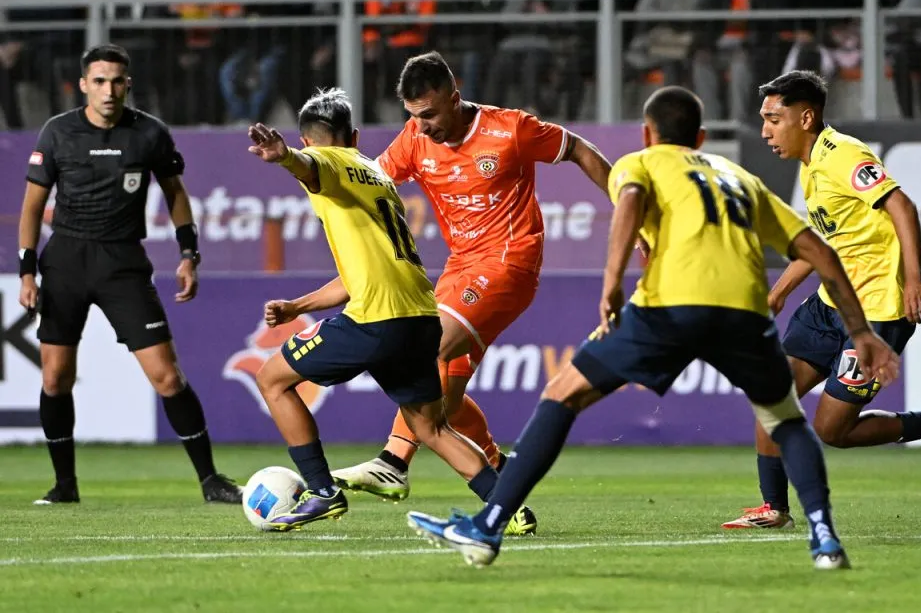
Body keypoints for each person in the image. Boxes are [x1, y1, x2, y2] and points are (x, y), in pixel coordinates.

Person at [405, 85, 902, 570]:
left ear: (647, 133)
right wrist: (861, 332)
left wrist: (612, 281)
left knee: (563, 394)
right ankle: (825, 538)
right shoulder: (740, 178)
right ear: (701, 137)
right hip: (744, 313)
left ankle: (489, 525)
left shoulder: (640, 164)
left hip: (669, 307)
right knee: (785, 419)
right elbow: (819, 250)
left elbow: (631, 201)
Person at [332, 52, 614, 536]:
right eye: (414, 116)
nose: (423, 126)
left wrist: (627, 205)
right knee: (444, 399)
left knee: (420, 350)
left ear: (455, 98)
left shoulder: (510, 130)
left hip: (509, 264)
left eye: (432, 114)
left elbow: (580, 150)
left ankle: (393, 460)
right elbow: (368, 183)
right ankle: (503, 485)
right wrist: (309, 168)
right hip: (457, 272)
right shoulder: (415, 140)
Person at [722, 70, 921, 530]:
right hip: (832, 304)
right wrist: (779, 293)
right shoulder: (810, 168)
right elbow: (825, 241)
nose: (765, 130)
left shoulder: (843, 155)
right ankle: (773, 508)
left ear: (805, 118)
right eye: (763, 119)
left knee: (833, 431)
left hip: (879, 311)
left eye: (773, 118)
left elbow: (901, 206)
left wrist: (913, 280)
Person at [245, 90, 520, 530]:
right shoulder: (378, 175)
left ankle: (320, 491)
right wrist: (299, 306)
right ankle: (506, 507)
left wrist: (285, 158)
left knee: (272, 379)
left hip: (376, 320)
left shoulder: (329, 162)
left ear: (308, 140)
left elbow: (313, 167)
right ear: (355, 134)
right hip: (422, 318)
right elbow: (363, 274)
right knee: (431, 429)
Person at [18, 44, 240, 505]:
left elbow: (175, 193)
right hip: (66, 262)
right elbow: (32, 206)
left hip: (123, 265)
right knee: (55, 378)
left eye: (117, 81)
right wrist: (26, 271)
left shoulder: (149, 133)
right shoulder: (57, 133)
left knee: (168, 377)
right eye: (99, 81)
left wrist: (188, 253)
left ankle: (210, 480)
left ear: (128, 84)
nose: (109, 90)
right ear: (83, 85)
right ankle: (65, 486)